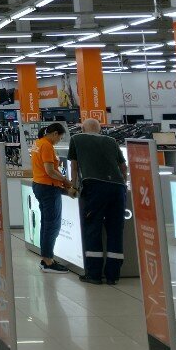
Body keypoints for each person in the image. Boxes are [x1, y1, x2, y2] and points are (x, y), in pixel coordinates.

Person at [69, 118, 129, 285]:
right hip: (117, 188)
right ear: (100, 130)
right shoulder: (111, 141)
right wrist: (123, 184)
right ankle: (112, 275)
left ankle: (94, 274)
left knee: (93, 228)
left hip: (94, 187)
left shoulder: (76, 139)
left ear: (82, 129)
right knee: (115, 230)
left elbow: (74, 166)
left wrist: (73, 186)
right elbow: (123, 167)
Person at [30, 122, 75, 273]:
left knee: (46, 224)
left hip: (39, 185)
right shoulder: (47, 146)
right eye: (60, 138)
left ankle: (46, 258)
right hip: (48, 188)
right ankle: (48, 261)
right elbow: (50, 171)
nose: (59, 141)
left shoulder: (38, 143)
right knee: (52, 225)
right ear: (55, 133)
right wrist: (66, 181)